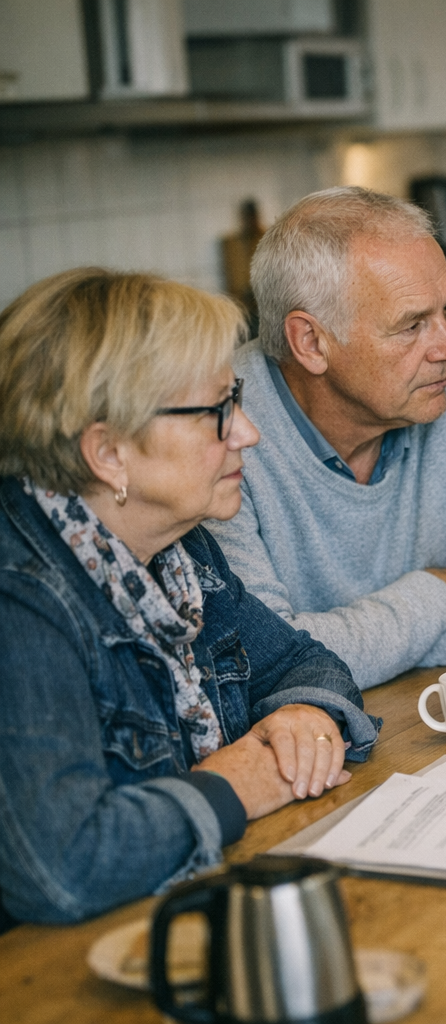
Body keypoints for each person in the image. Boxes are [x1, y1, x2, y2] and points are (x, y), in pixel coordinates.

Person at [0, 270, 377, 926]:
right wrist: (236, 787)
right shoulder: (22, 600)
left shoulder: (175, 551)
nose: (248, 434)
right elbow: (62, 866)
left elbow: (299, 663)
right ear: (108, 453)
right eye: (216, 412)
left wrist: (303, 719)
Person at [205, 186, 446, 690]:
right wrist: (441, 592)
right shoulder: (219, 426)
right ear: (311, 341)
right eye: (412, 325)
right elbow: (260, 661)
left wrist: (341, 655)